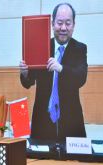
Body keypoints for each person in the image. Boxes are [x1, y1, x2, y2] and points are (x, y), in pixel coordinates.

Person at [20, 3, 87, 141]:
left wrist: (61, 68)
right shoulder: (42, 45)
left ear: (74, 24)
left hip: (71, 117)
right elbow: (29, 82)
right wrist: (25, 73)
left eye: (68, 23)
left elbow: (81, 78)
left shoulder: (80, 49)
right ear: (52, 24)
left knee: (73, 160)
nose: (63, 28)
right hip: (43, 116)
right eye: (60, 23)